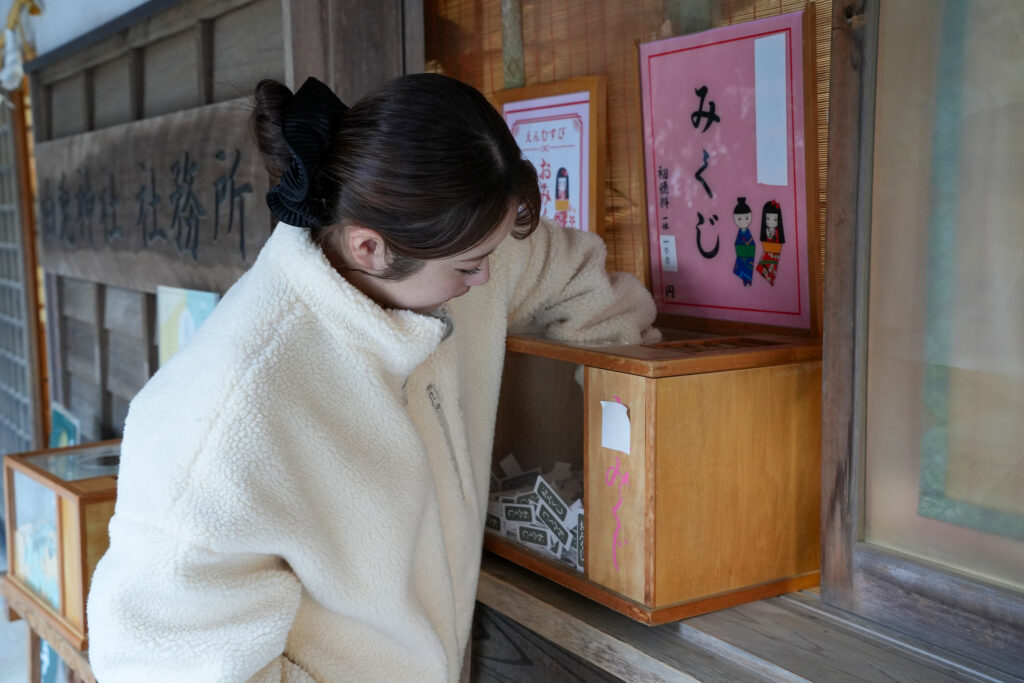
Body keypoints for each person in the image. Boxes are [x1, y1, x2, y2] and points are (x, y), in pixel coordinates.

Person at [86, 74, 657, 682]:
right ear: (369, 249)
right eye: (470, 266)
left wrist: (620, 446)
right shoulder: (227, 412)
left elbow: (577, 280)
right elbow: (156, 664)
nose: (487, 278)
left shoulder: (451, 238)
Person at [755, 199, 785, 286]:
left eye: (775, 219)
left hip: (774, 256)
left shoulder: (778, 232)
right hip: (767, 254)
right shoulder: (765, 231)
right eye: (768, 218)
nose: (771, 222)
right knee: (764, 269)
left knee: (771, 271)